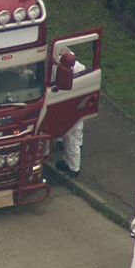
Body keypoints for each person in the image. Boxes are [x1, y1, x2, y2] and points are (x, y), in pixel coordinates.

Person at [53, 50, 86, 178]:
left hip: (69, 105)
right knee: (75, 135)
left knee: (72, 139)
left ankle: (73, 169)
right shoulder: (80, 66)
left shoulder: (59, 68)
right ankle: (69, 161)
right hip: (77, 103)